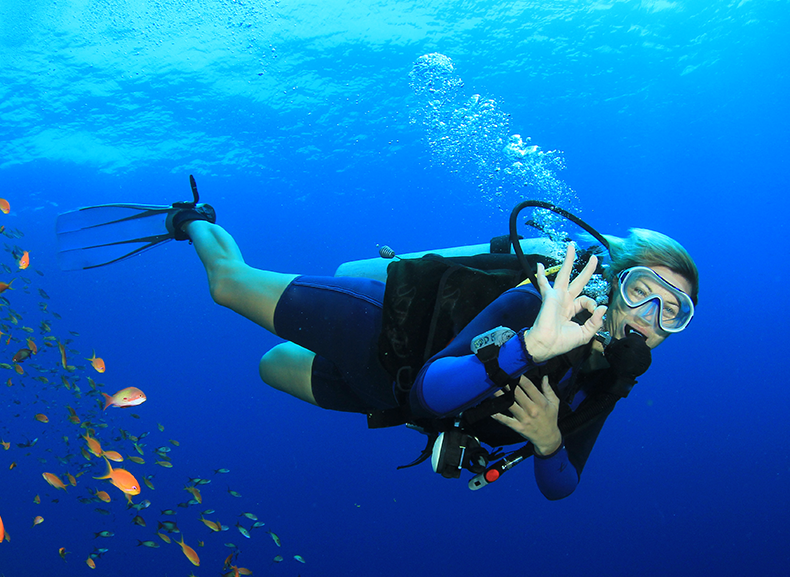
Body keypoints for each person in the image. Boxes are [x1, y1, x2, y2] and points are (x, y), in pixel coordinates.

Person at [178, 212, 698, 499]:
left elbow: (561, 486)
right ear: (614, 283)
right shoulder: (538, 301)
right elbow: (431, 389)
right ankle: (192, 220)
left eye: (673, 312)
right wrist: (530, 346)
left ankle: (316, 313)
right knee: (228, 285)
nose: (650, 316)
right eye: (643, 291)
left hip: (387, 396)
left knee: (269, 366)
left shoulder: (604, 382)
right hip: (390, 333)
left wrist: (550, 440)